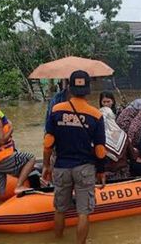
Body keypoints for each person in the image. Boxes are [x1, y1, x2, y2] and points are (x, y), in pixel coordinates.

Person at [42, 70, 106, 244]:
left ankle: (58, 240)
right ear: (88, 89)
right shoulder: (96, 115)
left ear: (69, 88)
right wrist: (101, 172)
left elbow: (48, 143)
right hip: (85, 168)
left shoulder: (55, 110)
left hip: (61, 166)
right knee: (83, 212)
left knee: (60, 209)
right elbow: (100, 150)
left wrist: (46, 166)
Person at [101, 106, 135, 180]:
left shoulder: (97, 139)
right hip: (123, 175)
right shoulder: (123, 136)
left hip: (104, 177)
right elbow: (132, 156)